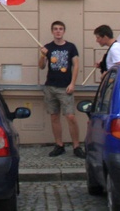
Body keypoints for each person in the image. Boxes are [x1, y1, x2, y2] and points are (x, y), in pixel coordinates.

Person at [38, 21, 85, 159]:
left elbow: (75, 65)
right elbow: (41, 66)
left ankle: (76, 146)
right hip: (50, 86)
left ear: (64, 31)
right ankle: (59, 145)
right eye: (55, 29)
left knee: (70, 116)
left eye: (60, 29)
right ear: (52, 31)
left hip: (65, 87)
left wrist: (73, 83)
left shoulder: (71, 47)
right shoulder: (47, 47)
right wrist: (42, 55)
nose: (58, 31)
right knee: (54, 116)